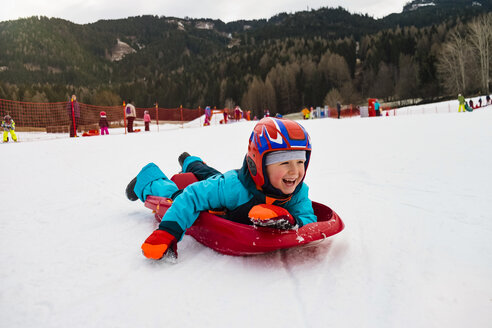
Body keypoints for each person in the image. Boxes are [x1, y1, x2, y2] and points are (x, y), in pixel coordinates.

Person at [126, 117, 315, 260]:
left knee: (211, 175)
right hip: (224, 190)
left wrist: (290, 221)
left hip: (226, 182)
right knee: (178, 196)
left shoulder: (298, 192)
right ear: (259, 164)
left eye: (300, 162)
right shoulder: (232, 187)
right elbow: (191, 197)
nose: (295, 171)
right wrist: (167, 230)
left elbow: (309, 219)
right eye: (284, 163)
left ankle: (191, 162)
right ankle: (149, 178)